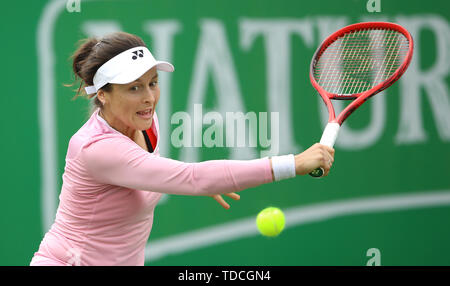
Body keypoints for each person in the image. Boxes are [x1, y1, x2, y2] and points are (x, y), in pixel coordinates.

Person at [30, 31, 334, 266]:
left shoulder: (145, 122)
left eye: (152, 82)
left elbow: (170, 174)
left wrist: (199, 180)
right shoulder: (95, 149)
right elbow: (192, 177)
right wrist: (294, 163)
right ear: (103, 95)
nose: (149, 97)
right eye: (133, 87)